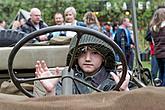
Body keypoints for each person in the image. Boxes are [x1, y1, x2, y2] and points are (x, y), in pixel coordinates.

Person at [34, 34, 130, 96]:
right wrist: (51, 91)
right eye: (82, 53)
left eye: (95, 53)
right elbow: (55, 107)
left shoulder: (116, 80)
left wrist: (124, 91)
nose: (87, 59)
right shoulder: (66, 79)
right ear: (75, 56)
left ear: (104, 58)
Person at [149, 7, 165, 86]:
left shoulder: (153, 28)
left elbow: (153, 42)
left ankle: (160, 87)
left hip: (158, 53)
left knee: (161, 72)